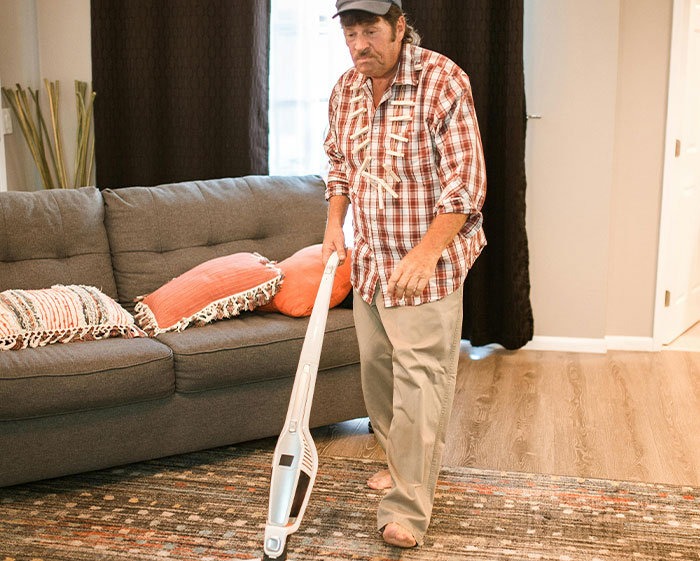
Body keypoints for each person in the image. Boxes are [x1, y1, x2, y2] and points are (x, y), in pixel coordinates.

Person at [321, 0, 487, 549]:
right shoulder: (346, 89)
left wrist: (425, 254)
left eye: (370, 32)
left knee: (420, 387)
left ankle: (407, 510)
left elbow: (465, 183)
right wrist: (333, 228)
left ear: (398, 27)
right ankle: (399, 462)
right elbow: (338, 164)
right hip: (370, 266)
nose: (360, 45)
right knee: (379, 376)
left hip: (425, 270)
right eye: (351, 34)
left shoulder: (442, 80)